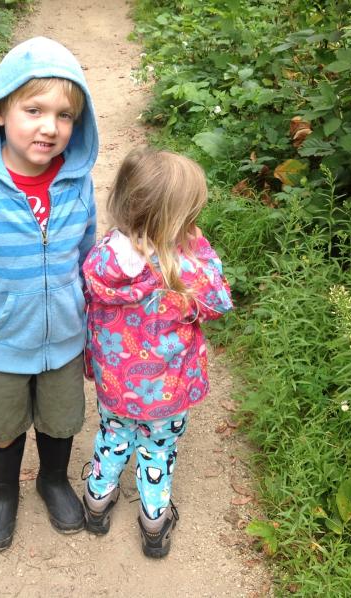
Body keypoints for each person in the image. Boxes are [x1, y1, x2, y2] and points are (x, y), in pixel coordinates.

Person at [0, 36, 99, 551]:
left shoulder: (78, 182)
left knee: (60, 419)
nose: (50, 127)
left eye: (64, 115)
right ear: (0, 111)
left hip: (65, 339)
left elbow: (88, 260)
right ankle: (3, 490)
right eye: (34, 110)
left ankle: (53, 480)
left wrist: (95, 329)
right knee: (2, 422)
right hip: (1, 339)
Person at [80, 147, 233, 558]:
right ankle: (154, 520)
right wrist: (200, 249)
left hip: (116, 385)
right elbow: (219, 301)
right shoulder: (184, 268)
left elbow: (90, 307)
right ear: (176, 220)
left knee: (113, 435)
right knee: (158, 450)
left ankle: (96, 500)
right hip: (166, 392)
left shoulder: (103, 257)